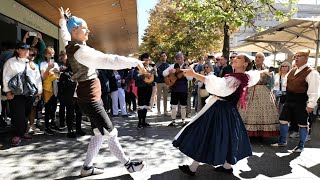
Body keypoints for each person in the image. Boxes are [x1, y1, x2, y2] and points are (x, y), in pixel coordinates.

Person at [58, 7, 145, 177]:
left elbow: (64, 34)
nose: (89, 30)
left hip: (89, 97)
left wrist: (63, 20)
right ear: (75, 30)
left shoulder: (71, 45)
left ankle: (87, 168)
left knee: (99, 133)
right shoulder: (81, 51)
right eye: (85, 28)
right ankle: (128, 165)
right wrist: (134, 62)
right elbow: (108, 60)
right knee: (111, 133)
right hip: (90, 99)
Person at [173, 54, 263, 176]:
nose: (234, 59)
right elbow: (255, 74)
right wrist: (265, 71)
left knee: (206, 135)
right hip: (228, 110)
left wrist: (194, 74)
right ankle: (226, 166)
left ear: (245, 64)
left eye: (239, 58)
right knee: (227, 137)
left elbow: (219, 85)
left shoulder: (237, 78)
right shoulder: (244, 77)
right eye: (234, 58)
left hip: (220, 110)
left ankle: (193, 168)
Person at [271, 50, 320, 153]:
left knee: (302, 123)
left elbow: (314, 90)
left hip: (302, 100)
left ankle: (300, 146)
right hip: (289, 99)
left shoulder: (312, 72)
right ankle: (282, 141)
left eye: (299, 56)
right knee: (283, 120)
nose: (296, 58)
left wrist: (311, 104)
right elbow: (285, 83)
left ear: (306, 58)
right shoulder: (292, 70)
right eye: (296, 56)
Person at [239, 52, 279, 137]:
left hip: (263, 90)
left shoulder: (268, 68)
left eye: (260, 57)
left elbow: (271, 82)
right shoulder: (250, 67)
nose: (257, 58)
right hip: (251, 90)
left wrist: (270, 90)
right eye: (256, 57)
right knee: (248, 111)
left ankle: (262, 132)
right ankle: (247, 132)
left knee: (264, 111)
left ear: (263, 59)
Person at [2, 41, 35, 146]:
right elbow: (5, 77)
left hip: (29, 93)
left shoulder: (29, 62)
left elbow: (35, 77)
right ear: (17, 50)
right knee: (18, 115)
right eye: (23, 49)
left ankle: (22, 132)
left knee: (25, 114)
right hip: (16, 94)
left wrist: (38, 91)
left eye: (27, 49)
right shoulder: (10, 62)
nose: (26, 51)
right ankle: (17, 135)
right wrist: (7, 91)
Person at [163, 52, 193, 126]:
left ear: (183, 59)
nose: (179, 60)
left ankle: (183, 121)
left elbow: (190, 78)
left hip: (183, 89)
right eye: (178, 59)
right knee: (173, 105)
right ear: (176, 60)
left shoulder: (186, 66)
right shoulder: (173, 66)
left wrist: (186, 72)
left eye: (181, 59)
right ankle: (173, 121)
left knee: (183, 105)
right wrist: (170, 71)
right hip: (174, 88)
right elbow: (164, 73)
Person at [133, 53, 157, 128]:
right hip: (141, 87)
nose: (147, 60)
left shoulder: (151, 68)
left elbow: (156, 78)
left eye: (148, 59)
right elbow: (135, 77)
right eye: (146, 59)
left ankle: (144, 121)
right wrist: (144, 75)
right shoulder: (138, 68)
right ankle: (140, 122)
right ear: (142, 60)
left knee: (146, 104)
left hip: (149, 87)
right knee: (141, 105)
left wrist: (155, 73)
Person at [155, 52, 170, 116]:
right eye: (162, 56)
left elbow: (169, 74)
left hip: (166, 83)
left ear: (166, 57)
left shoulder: (168, 65)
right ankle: (158, 111)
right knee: (158, 97)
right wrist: (164, 73)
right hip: (159, 83)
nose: (163, 57)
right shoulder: (158, 64)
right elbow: (158, 73)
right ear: (160, 57)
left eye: (164, 56)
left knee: (165, 97)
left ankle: (165, 111)